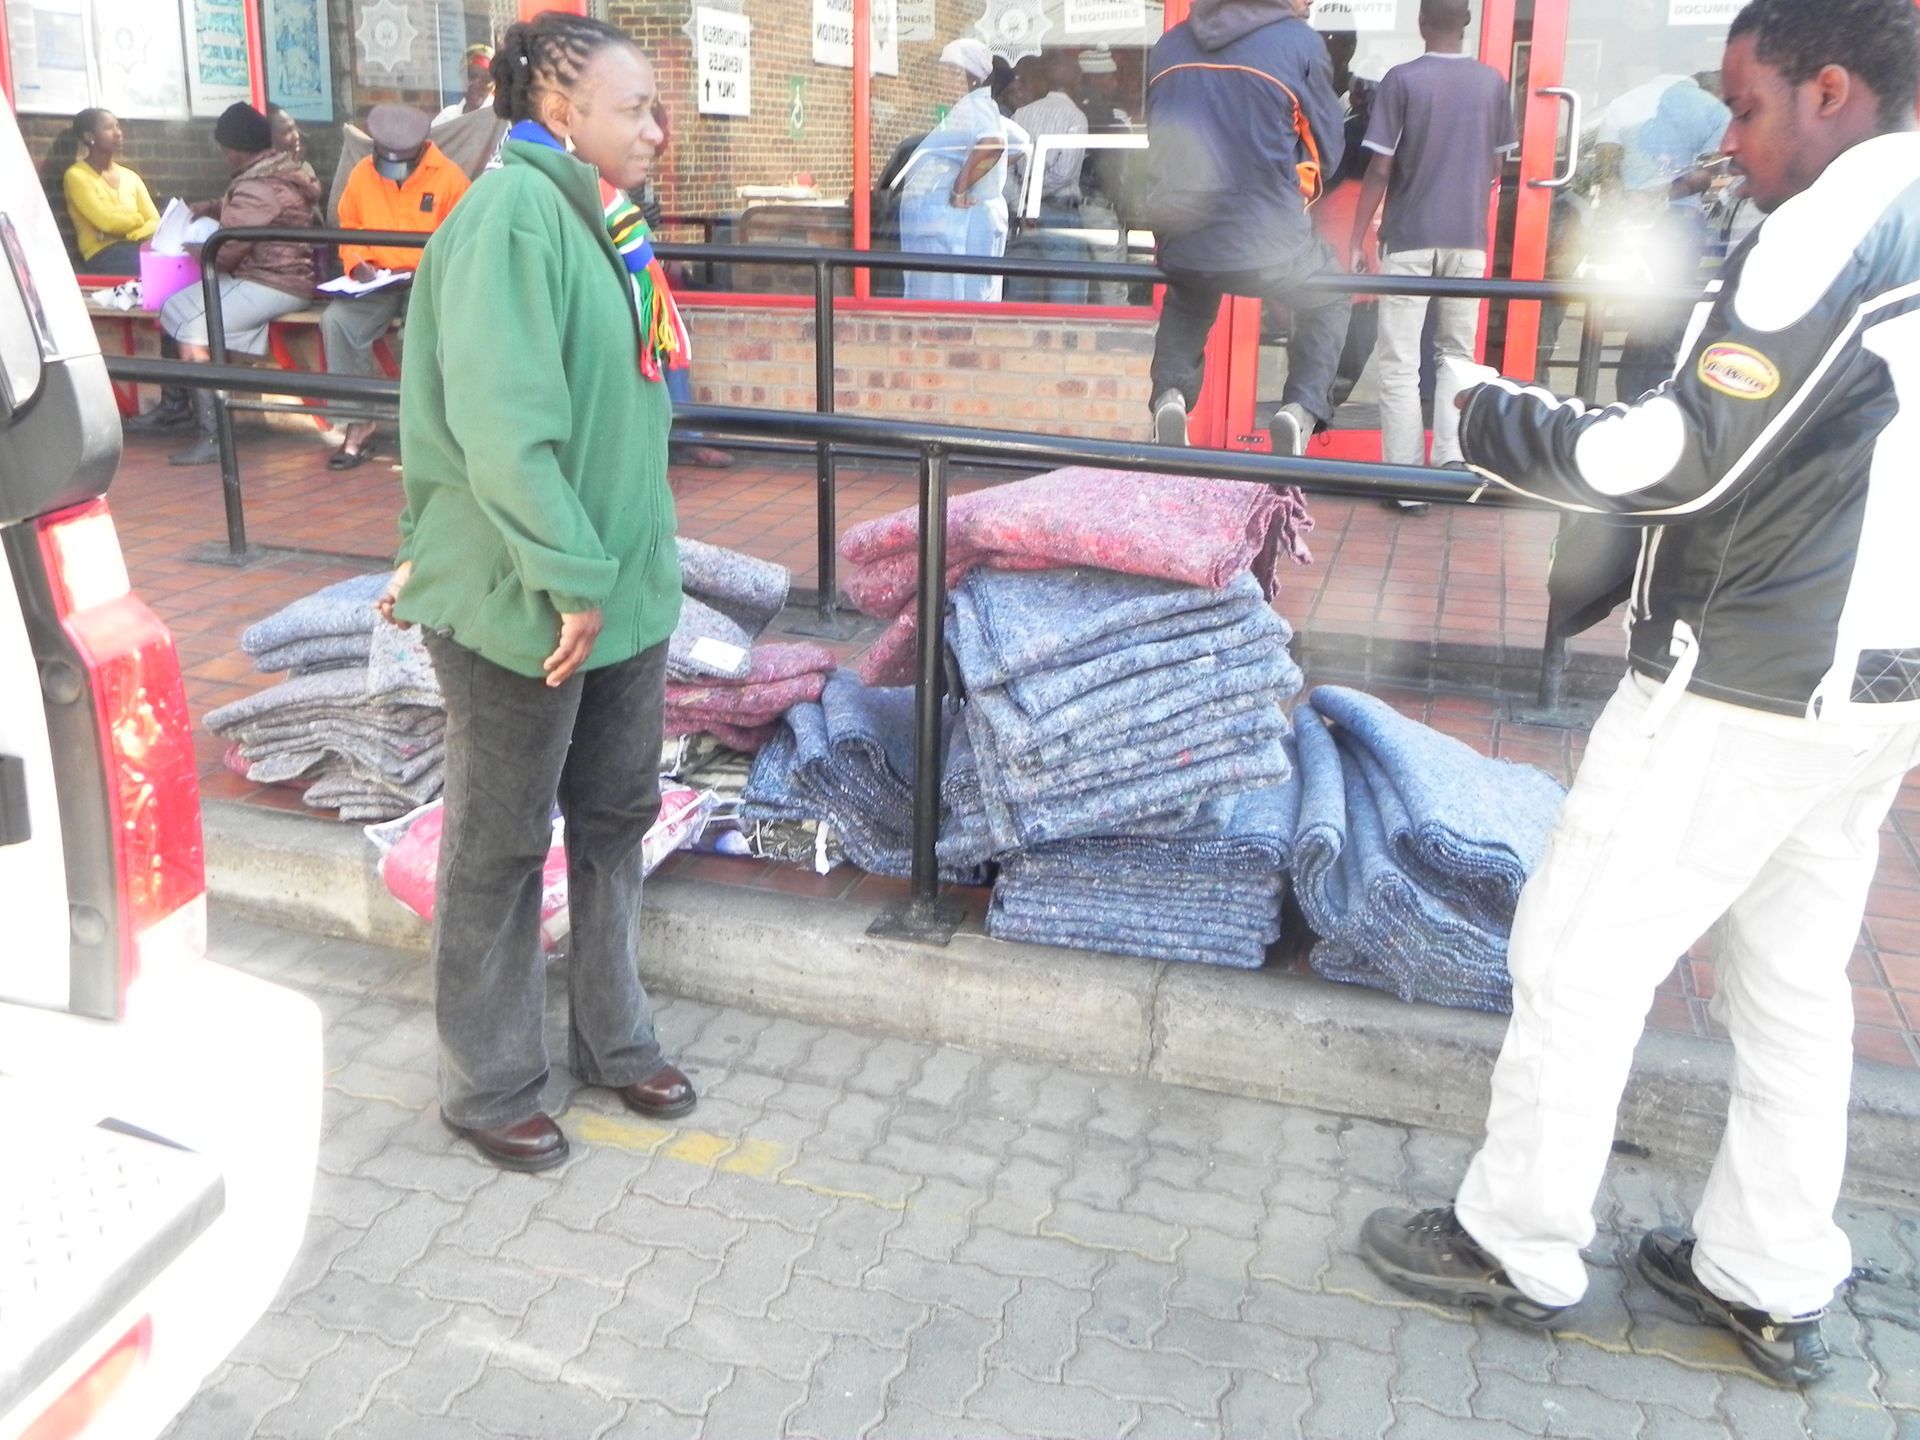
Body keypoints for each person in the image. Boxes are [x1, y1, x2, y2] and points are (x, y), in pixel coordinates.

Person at [1357, 0, 1920, 1389]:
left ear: (1832, 90)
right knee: (1793, 985)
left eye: (1747, 107)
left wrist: (1495, 414)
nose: (1732, 142)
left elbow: (1676, 461)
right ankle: (1768, 1271)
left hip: (1743, 673)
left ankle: (1517, 1241)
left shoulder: (1834, 223)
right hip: (1879, 687)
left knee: (1579, 947)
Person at [378, 10, 696, 1174]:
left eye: (656, 108)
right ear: (561, 113)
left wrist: (616, 581)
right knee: (502, 848)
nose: (658, 129)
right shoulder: (514, 216)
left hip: (617, 595)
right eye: (636, 109)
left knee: (615, 824)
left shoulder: (604, 220)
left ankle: (613, 1040)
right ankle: (490, 1082)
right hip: (531, 597)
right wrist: (570, 579)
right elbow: (507, 434)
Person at [1143, 0, 1350, 456]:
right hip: (1267, 241)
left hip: (1183, 238)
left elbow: (1155, 138)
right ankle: (1299, 410)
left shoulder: (1169, 45)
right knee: (1331, 292)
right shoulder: (1300, 44)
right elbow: (1328, 151)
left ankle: (1170, 397)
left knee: (1190, 294)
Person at [1347, 0, 1515, 498]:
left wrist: (1359, 235)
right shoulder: (1493, 83)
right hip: (1468, 238)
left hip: (1409, 235)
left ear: (1422, 23)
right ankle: (1451, 466)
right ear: (1466, 23)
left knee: (1400, 361)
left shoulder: (1402, 80)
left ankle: (1405, 482)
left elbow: (1380, 168)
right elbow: (1496, 168)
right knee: (1458, 356)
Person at [157, 103, 320, 466]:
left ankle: (213, 434)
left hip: (273, 283)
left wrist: (196, 248)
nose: (224, 154)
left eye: (226, 147)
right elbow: (246, 211)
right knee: (172, 306)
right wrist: (212, 207)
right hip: (268, 276)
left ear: (240, 148)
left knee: (195, 331)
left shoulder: (257, 186)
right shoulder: (269, 174)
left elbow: (225, 254)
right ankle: (175, 408)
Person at [319, 104, 469, 470]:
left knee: (416, 336)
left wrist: (432, 272)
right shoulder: (361, 175)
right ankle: (358, 424)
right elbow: (349, 228)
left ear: (420, 150)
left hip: (427, 280)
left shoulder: (449, 178)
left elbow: (462, 239)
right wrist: (357, 263)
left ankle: (429, 433)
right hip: (376, 280)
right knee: (336, 322)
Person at [632, 100, 731, 469]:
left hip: (640, 278)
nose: (663, 136)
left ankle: (683, 435)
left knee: (670, 347)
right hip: (615, 285)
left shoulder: (641, 176)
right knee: (663, 346)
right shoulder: (599, 171)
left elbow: (639, 234)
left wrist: (646, 222)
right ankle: (683, 437)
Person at [898, 39, 1014, 302]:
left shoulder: (975, 106)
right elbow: (1015, 145)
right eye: (943, 70)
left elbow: (994, 146)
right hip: (955, 227)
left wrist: (959, 188)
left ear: (973, 78)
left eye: (952, 71)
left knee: (956, 305)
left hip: (958, 229)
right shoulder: (974, 106)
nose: (943, 77)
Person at [1007, 51, 1092, 305]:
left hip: (1024, 218)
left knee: (1021, 299)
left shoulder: (1021, 114)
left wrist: (1022, 205)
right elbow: (1063, 173)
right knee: (1066, 301)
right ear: (1075, 81)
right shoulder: (1075, 117)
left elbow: (1005, 166)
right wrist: (1031, 202)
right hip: (1060, 215)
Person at [60, 108, 158, 275]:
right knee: (159, 265)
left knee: (178, 258)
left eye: (117, 126)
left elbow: (155, 221)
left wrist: (133, 235)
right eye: (108, 128)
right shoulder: (76, 176)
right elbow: (106, 222)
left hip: (137, 246)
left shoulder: (130, 176)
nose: (118, 133)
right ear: (89, 136)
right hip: (102, 254)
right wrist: (138, 219)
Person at [436, 43, 497, 125]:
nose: (477, 84)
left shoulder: (499, 119)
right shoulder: (446, 117)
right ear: (462, 76)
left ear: (493, 85)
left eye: (486, 79)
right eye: (471, 76)